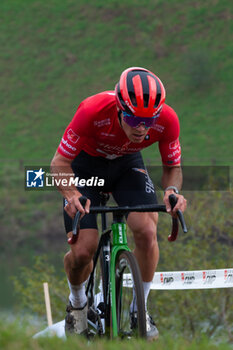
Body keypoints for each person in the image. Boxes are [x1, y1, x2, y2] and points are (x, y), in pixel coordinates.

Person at [51, 67, 187, 340]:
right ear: (118, 108)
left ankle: (140, 311)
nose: (141, 127)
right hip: (86, 167)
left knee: (147, 231)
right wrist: (71, 195)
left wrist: (172, 191)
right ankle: (77, 304)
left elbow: (173, 167)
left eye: (149, 120)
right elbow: (59, 163)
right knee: (82, 252)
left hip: (127, 166)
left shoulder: (168, 120)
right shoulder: (92, 110)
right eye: (134, 118)